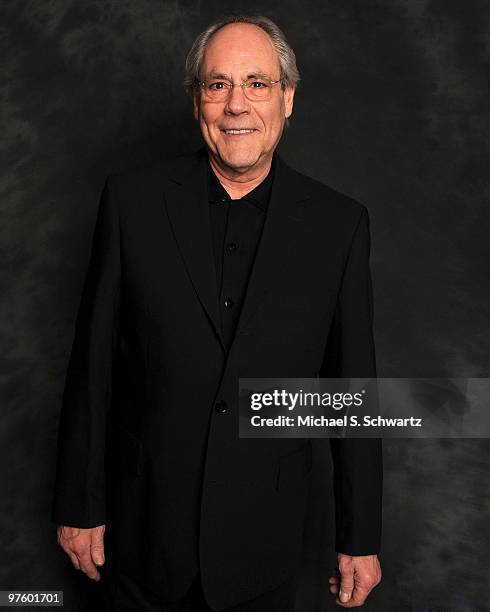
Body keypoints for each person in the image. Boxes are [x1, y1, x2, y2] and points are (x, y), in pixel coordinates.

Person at [52, 14, 383, 611]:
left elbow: (351, 392)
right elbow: (92, 363)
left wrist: (360, 536)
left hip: (268, 543)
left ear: (287, 99)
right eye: (217, 85)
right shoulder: (131, 203)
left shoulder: (340, 225)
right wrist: (79, 502)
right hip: (141, 534)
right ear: (196, 100)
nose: (237, 105)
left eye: (257, 84)